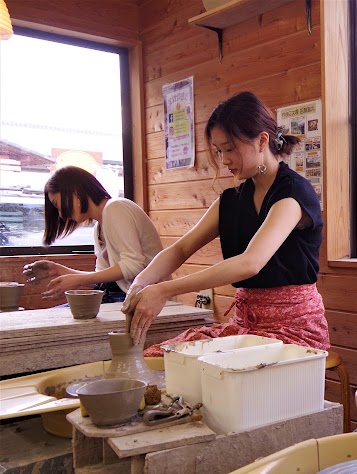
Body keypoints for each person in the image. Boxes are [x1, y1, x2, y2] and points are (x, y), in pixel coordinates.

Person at [122, 91, 329, 356]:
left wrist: (164, 290)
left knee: (218, 374)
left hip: (295, 329)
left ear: (262, 140)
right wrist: (141, 283)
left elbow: (250, 263)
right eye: (219, 151)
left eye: (230, 149)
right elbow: (181, 249)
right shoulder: (231, 200)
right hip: (245, 325)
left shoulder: (293, 194)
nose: (225, 160)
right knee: (161, 357)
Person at [23, 165, 163, 303]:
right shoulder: (99, 227)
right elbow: (102, 281)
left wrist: (78, 280)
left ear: (75, 192)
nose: (61, 215)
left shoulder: (115, 208)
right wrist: (59, 270)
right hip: (124, 296)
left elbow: (134, 266)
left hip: (148, 299)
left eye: (57, 205)